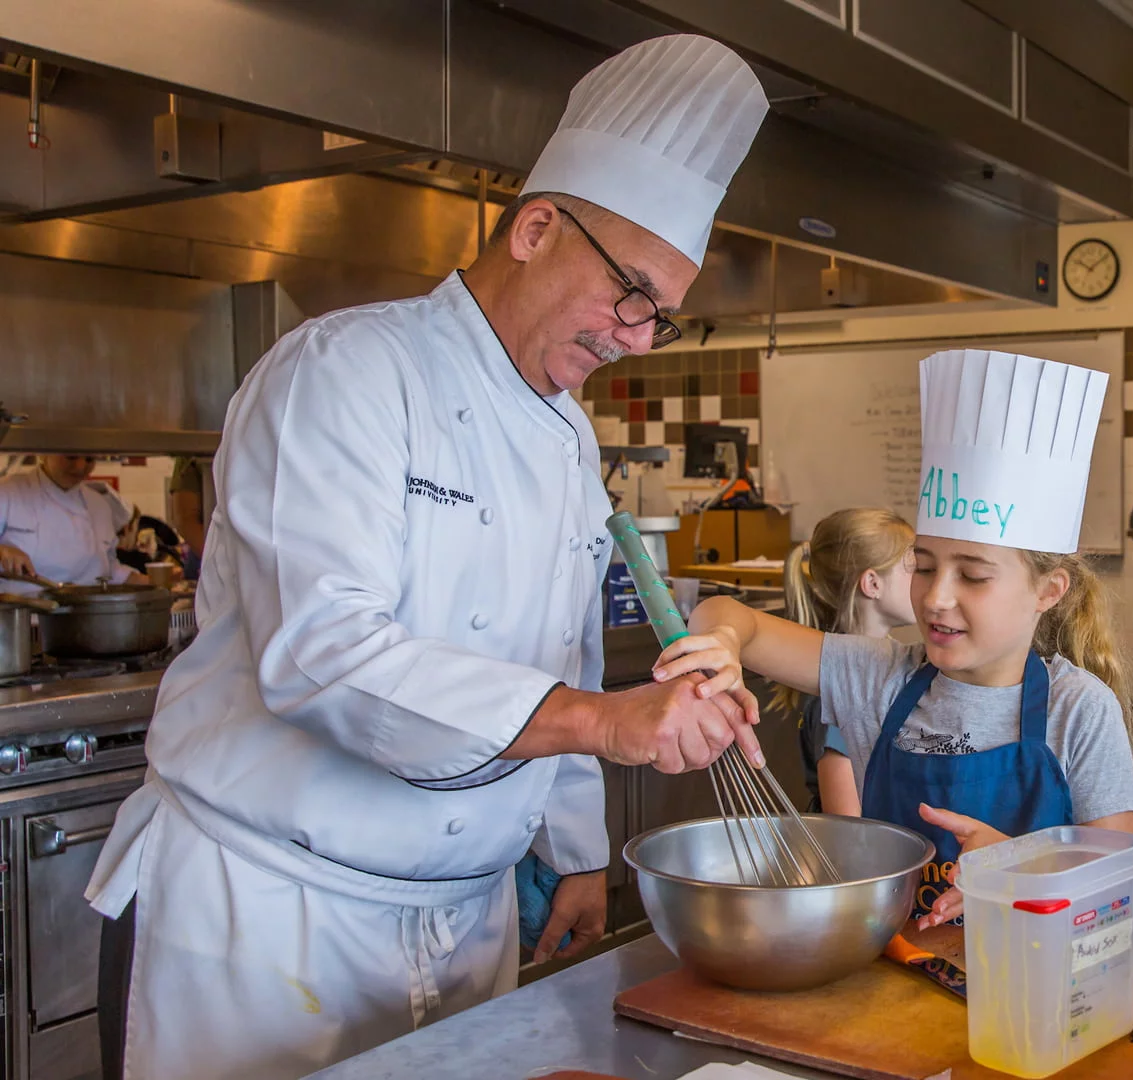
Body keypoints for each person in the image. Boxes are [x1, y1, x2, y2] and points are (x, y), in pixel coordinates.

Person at [83, 36, 770, 1080]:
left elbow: (566, 646)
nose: (637, 338)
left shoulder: (569, 435)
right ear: (537, 227)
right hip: (270, 922)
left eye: (661, 317)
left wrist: (577, 852)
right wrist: (602, 723)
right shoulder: (346, 372)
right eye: (630, 294)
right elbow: (324, 654)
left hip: (467, 920)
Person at [656, 349, 1133, 927]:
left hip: (1027, 992)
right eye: (924, 565)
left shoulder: (1079, 709)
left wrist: (1017, 868)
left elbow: (1115, 896)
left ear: (1048, 590)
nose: (937, 597)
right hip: (890, 986)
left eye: (973, 574)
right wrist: (723, 642)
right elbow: (729, 612)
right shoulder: (877, 677)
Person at [775, 507, 917, 816]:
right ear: (872, 584)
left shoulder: (889, 662)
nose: (925, 583)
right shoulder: (846, 686)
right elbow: (847, 823)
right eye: (912, 568)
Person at [0, 454, 147, 587]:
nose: (80, 467)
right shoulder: (8, 492)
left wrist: (155, 581)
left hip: (85, 613)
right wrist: (2, 551)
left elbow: (108, 570)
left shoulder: (99, 505)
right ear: (44, 454)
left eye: (89, 459)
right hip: (21, 614)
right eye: (71, 457)